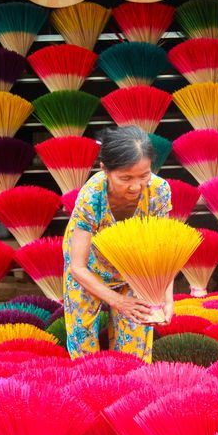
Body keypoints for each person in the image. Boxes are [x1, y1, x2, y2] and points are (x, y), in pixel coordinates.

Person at [62, 126, 172, 362]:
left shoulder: (159, 192)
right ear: (105, 169)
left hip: (134, 267)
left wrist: (166, 299)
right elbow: (77, 267)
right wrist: (119, 302)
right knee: (83, 340)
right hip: (89, 268)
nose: (136, 186)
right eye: (125, 178)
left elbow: (163, 252)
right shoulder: (92, 196)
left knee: (135, 343)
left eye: (144, 176)